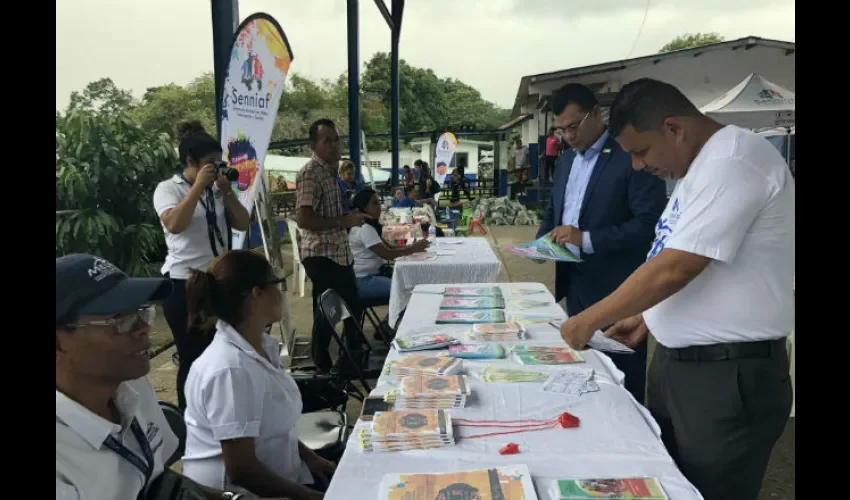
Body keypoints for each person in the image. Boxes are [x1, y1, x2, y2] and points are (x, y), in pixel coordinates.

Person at [559, 78, 794, 500]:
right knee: (670, 485)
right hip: (685, 370)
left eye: (640, 151)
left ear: (674, 128)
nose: (637, 166)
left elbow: (675, 267)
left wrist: (588, 320)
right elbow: (682, 251)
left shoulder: (734, 160)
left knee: (708, 489)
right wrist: (647, 315)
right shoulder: (701, 167)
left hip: (725, 378)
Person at [56, 254, 282, 500]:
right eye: (120, 319)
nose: (144, 327)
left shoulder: (131, 386)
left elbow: (154, 476)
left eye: (142, 311)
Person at [536, 83, 666, 402]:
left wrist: (587, 239)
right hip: (576, 281)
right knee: (583, 372)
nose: (567, 135)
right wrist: (542, 241)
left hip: (619, 288)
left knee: (620, 381)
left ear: (596, 114)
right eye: (560, 129)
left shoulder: (632, 155)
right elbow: (556, 209)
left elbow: (649, 224)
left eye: (573, 126)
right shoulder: (566, 160)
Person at [182, 250, 335, 500]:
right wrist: (314, 498)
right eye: (278, 284)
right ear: (257, 293)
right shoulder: (231, 369)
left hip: (280, 479)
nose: (282, 293)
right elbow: (242, 470)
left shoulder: (259, 346)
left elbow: (270, 427)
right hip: (241, 493)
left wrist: (311, 458)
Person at [153, 120, 251, 411]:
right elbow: (174, 224)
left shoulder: (216, 191)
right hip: (184, 283)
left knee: (225, 348)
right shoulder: (168, 189)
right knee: (193, 355)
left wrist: (227, 191)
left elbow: (243, 223)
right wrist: (197, 187)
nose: (215, 168)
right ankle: (192, 418)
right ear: (190, 162)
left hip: (217, 279)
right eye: (210, 164)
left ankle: (224, 408)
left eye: (218, 162)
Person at [295, 118, 367, 373]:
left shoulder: (332, 172)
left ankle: (348, 360)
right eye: (327, 140)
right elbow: (303, 218)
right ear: (313, 144)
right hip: (320, 254)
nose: (335, 145)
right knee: (330, 311)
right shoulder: (310, 173)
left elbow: (332, 213)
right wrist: (342, 220)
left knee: (349, 308)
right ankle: (325, 364)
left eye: (337, 140)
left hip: (339, 251)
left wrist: (350, 214)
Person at [349, 189, 430, 305]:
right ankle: (392, 321)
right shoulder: (364, 228)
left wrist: (413, 246)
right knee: (405, 290)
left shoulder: (368, 226)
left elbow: (390, 248)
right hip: (363, 281)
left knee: (407, 283)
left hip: (370, 276)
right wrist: (413, 249)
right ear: (365, 207)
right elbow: (387, 254)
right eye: (375, 203)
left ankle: (392, 320)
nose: (379, 207)